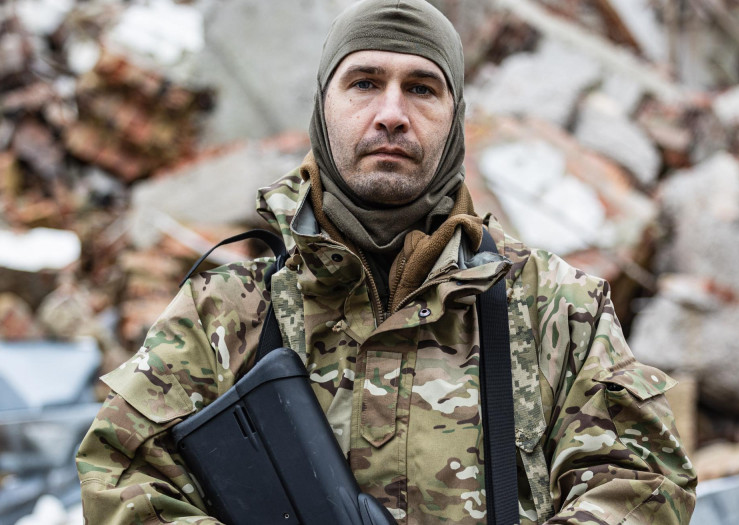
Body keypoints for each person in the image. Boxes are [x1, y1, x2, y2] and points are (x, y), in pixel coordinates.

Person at [76, 0, 696, 523]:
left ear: (456, 119)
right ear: (325, 107)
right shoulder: (228, 308)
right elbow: (120, 470)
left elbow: (643, 481)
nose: (392, 113)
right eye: (365, 83)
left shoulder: (557, 308)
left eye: (422, 88)